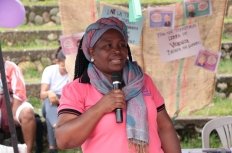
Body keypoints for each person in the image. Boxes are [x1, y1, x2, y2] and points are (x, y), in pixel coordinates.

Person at [55, 17, 181, 153]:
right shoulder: (77, 89)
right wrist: (100, 107)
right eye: (108, 46)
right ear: (92, 51)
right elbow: (64, 139)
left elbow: (165, 127)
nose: (117, 50)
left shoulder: (143, 81)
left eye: (122, 45)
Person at [0, 60, 36, 153]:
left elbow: (19, 92)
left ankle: (28, 150)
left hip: (14, 103)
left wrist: (12, 114)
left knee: (27, 113)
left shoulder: (10, 67)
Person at [40, 47, 69, 153]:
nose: (65, 68)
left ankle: (52, 148)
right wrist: (49, 93)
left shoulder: (71, 73)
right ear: (58, 62)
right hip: (50, 104)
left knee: (49, 116)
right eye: (62, 66)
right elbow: (42, 95)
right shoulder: (49, 70)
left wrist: (60, 101)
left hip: (64, 105)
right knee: (49, 102)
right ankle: (57, 126)